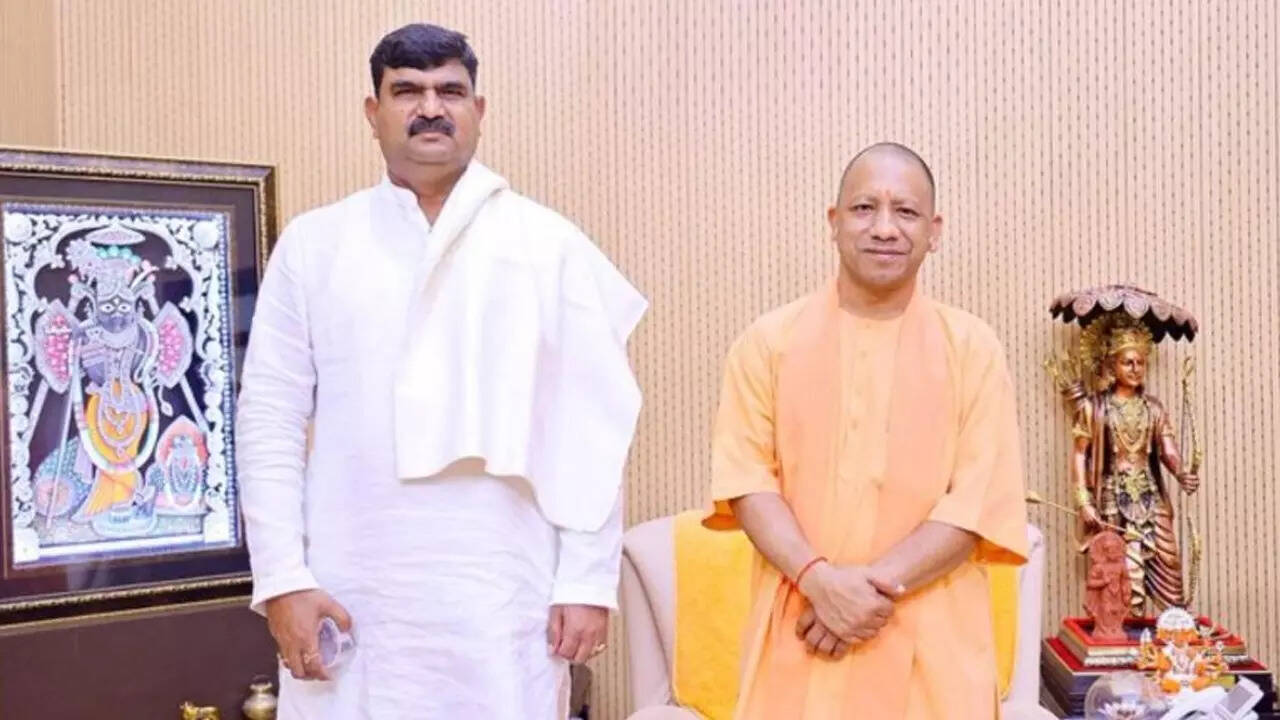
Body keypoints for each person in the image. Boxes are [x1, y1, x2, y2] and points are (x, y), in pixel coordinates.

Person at [235, 23, 646, 719]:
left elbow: (591, 429)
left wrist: (586, 579)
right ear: (373, 113)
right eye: (407, 91)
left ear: (478, 110)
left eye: (450, 91)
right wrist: (282, 578)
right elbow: (268, 420)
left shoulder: (547, 245)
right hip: (351, 585)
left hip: (502, 591)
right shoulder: (315, 244)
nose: (431, 108)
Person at [706, 143, 1029, 718]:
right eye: (864, 208)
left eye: (905, 212)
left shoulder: (973, 349)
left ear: (934, 231)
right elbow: (747, 483)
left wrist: (855, 597)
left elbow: (976, 503)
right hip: (801, 631)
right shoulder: (767, 343)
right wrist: (818, 582)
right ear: (834, 222)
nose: (884, 228)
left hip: (932, 647)